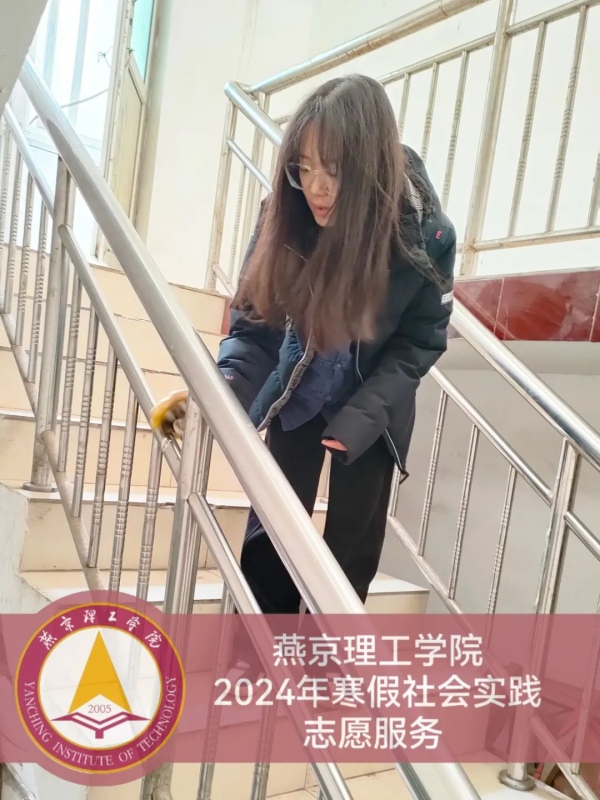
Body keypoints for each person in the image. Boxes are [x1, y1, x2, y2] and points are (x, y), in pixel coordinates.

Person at [152, 73, 455, 649]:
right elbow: (255, 323)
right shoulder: (286, 212)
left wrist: (363, 414)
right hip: (298, 390)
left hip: (373, 410)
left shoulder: (424, 233)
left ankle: (325, 672)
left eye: (334, 169)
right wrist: (219, 394)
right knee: (270, 535)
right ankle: (252, 662)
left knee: (348, 554)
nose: (316, 186)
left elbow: (419, 341)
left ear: (369, 165)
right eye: (303, 167)